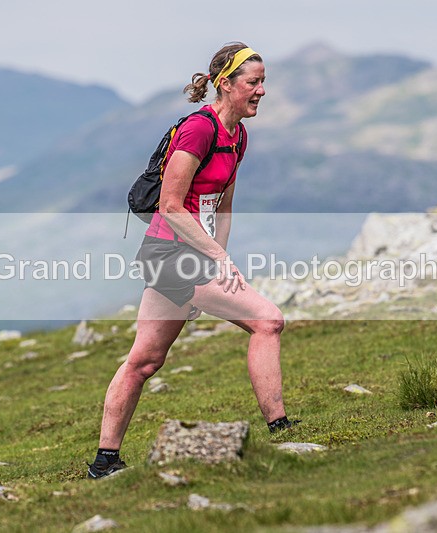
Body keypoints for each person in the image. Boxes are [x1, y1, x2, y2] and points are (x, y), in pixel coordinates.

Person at [88, 42, 299, 479]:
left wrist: (220, 259)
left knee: (145, 361)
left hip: (191, 256)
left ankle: (104, 461)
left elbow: (223, 206)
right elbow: (170, 205)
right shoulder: (198, 130)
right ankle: (281, 430)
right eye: (253, 82)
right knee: (268, 321)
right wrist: (216, 259)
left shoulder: (237, 136)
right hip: (168, 253)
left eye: (263, 82)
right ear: (226, 84)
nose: (262, 91)